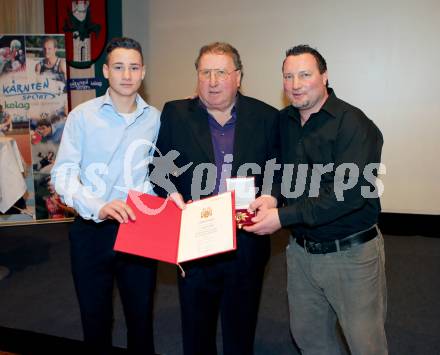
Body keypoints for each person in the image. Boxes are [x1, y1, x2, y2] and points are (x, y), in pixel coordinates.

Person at [246, 45, 387, 355]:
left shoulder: (354, 124)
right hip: (300, 253)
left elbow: (346, 195)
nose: (295, 84)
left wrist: (281, 217)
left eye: (305, 75)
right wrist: (271, 196)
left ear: (324, 77)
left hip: (350, 254)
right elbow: (278, 168)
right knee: (309, 338)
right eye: (288, 76)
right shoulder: (283, 121)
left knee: (365, 345)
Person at [152, 42, 279, 355]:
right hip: (196, 239)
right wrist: (171, 195)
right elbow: (158, 169)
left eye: (220, 72)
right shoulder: (176, 113)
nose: (212, 80)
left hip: (246, 239)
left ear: (237, 77)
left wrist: (272, 197)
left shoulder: (266, 116)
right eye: (205, 72)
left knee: (241, 327)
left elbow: (279, 170)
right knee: (196, 330)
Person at [51, 37, 161, 355]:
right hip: (91, 230)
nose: (127, 75)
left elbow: (157, 173)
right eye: (119, 67)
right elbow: (63, 174)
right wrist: (98, 207)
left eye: (134, 67)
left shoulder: (155, 118)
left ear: (143, 72)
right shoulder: (82, 117)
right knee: (95, 318)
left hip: (139, 228)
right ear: (106, 71)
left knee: (141, 317)